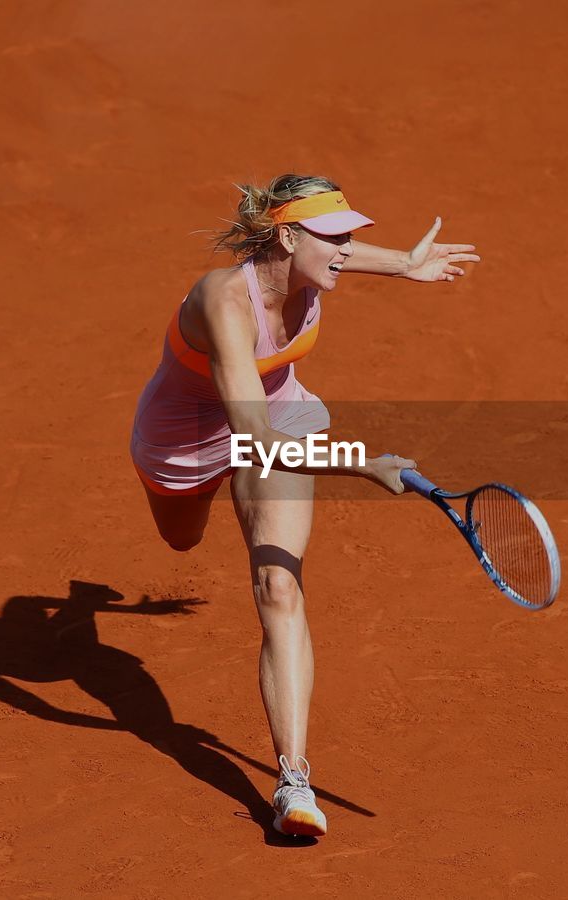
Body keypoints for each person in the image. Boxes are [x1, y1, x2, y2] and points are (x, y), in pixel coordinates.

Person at [130, 174, 479, 837]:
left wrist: (405, 263)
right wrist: (364, 465)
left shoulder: (312, 265)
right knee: (181, 540)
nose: (346, 252)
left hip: (276, 416)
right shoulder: (226, 304)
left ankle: (293, 781)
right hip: (186, 443)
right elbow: (252, 438)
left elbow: (270, 437)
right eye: (334, 238)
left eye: (352, 238)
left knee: (278, 586)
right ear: (287, 236)